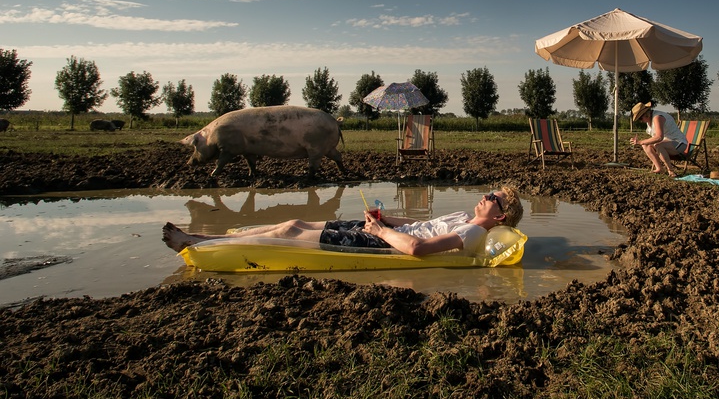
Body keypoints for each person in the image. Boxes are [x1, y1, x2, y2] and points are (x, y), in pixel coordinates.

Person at [163, 186, 523, 257]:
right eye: (489, 192)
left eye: (494, 198)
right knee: (295, 221)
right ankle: (199, 235)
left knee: (289, 233)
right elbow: (417, 224)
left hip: (385, 243)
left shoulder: (473, 232)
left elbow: (418, 248)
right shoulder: (462, 215)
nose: (486, 195)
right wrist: (384, 218)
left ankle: (199, 245)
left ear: (500, 215)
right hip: (386, 231)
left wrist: (381, 231)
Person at [629, 102, 688, 177]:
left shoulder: (657, 117)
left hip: (679, 143)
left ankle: (671, 171)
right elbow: (655, 138)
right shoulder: (649, 120)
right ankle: (659, 168)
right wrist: (642, 142)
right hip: (667, 143)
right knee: (646, 145)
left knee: (658, 145)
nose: (641, 121)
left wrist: (640, 142)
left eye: (640, 118)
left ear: (646, 114)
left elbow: (659, 137)